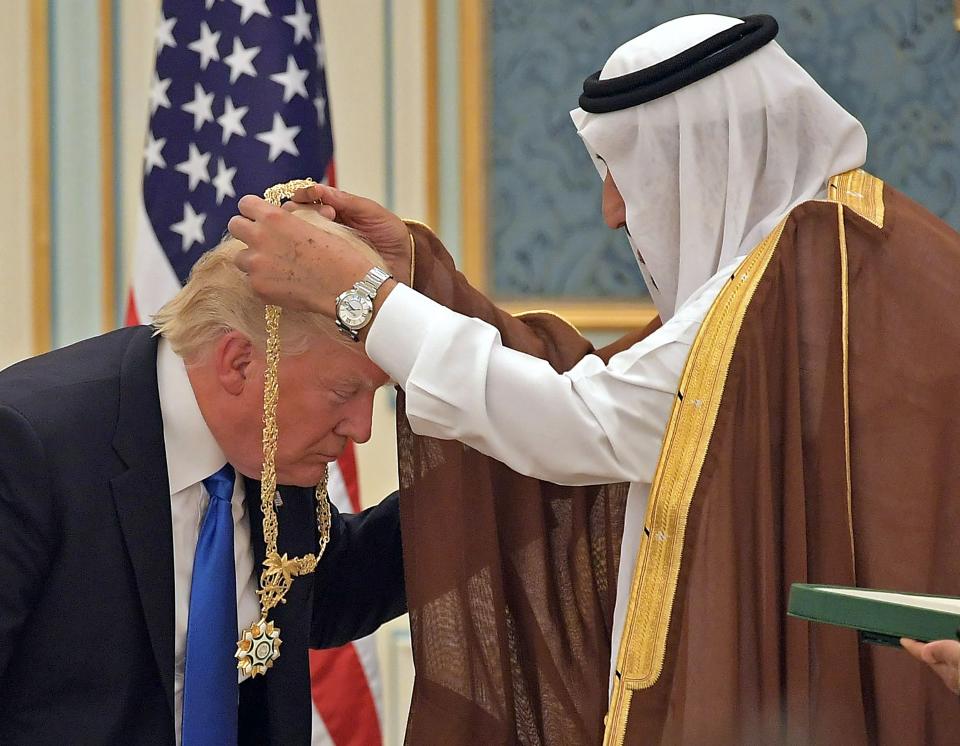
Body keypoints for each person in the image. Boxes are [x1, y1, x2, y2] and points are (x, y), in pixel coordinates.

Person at [230, 12, 960, 745]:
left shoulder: (809, 274)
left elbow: (589, 422)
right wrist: (415, 286)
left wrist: (364, 301)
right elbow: (604, 390)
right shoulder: (835, 250)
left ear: (706, 154)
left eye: (624, 175)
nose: (612, 213)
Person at [0, 212, 406, 745]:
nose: (361, 430)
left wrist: (492, 486)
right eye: (343, 393)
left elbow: (321, 593)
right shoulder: (29, 445)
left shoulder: (273, 448)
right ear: (239, 363)